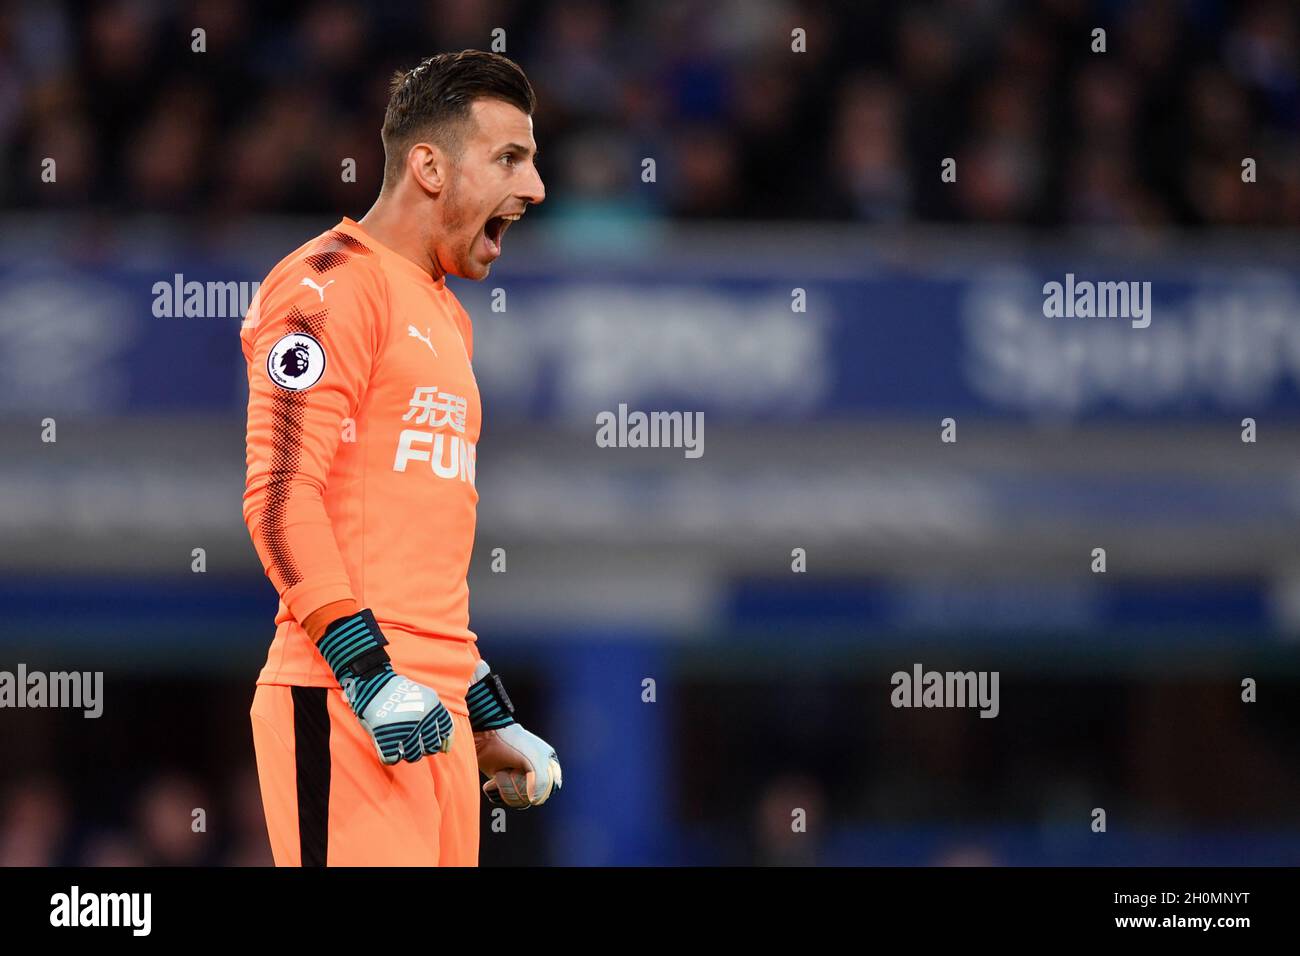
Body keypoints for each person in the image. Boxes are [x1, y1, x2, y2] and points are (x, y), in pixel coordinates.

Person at [241, 50, 560, 867]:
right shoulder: (327, 286)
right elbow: (279, 497)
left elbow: (411, 552)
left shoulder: (448, 319)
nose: (535, 189)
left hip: (433, 713)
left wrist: (482, 708)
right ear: (428, 166)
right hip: (350, 699)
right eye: (510, 159)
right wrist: (368, 675)